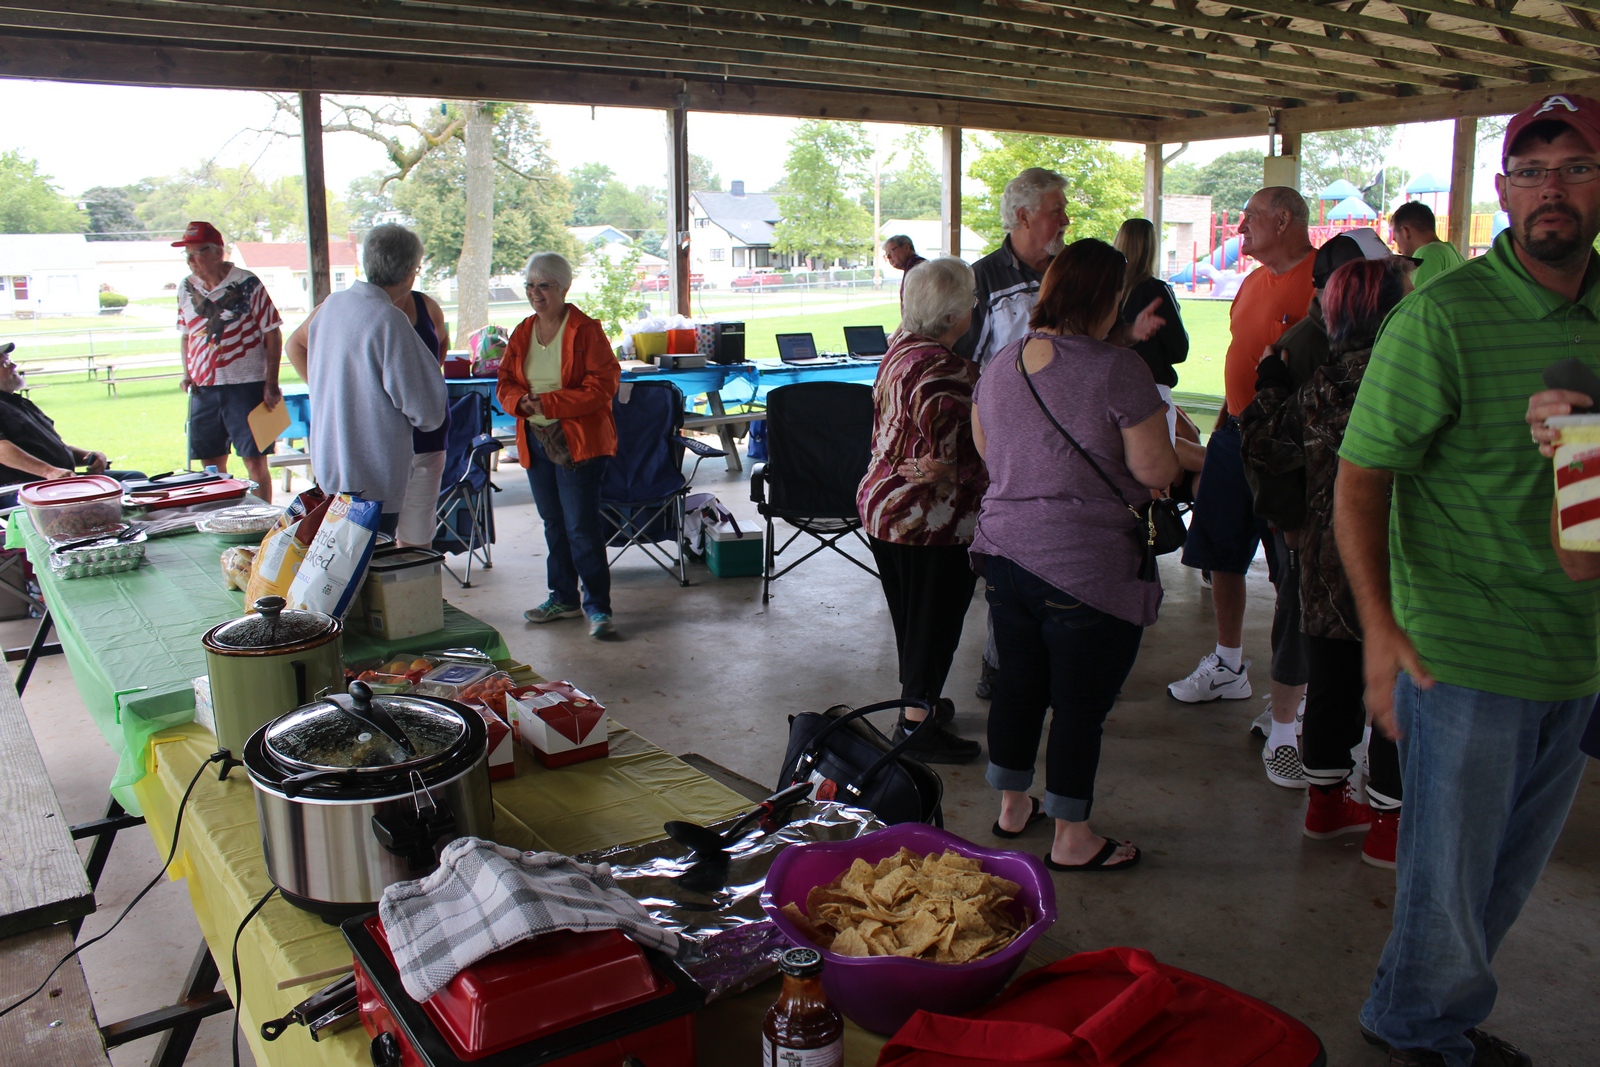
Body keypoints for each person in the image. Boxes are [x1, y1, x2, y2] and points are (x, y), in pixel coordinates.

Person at [1338, 94, 1600, 1067]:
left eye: (1575, 168)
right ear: (1501, 190)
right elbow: (1361, 476)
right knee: (1446, 883)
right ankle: (1418, 1028)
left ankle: (1424, 1013)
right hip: (1460, 653)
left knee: (1502, 878)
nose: (1551, 190)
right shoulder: (1441, 318)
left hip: (1575, 650)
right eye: (1531, 172)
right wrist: (1378, 626)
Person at [971, 238, 1178, 872]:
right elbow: (1155, 468)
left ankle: (1012, 806)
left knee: (1017, 687)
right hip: (1086, 563)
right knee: (1079, 706)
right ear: (1106, 298)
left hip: (1005, 553)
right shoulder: (1119, 370)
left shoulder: (1001, 363)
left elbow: (989, 450)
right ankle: (1071, 837)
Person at [1244, 256, 1413, 868]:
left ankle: (1325, 807)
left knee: (1333, 685)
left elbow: (1265, 446)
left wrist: (1269, 381)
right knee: (1396, 690)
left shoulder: (1322, 384)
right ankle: (1389, 827)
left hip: (1324, 557)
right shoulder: (1408, 380)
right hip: (1397, 559)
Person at [1167, 188, 1315, 761]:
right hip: (1235, 433)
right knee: (1222, 553)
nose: (1241, 228)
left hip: (1288, 445)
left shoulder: (1318, 281)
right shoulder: (1253, 282)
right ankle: (1229, 664)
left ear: (1283, 219)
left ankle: (1294, 690)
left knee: (1288, 570)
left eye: (1250, 217)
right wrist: (1229, 422)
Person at [1237, 231, 1388, 772]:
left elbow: (1269, 443)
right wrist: (1287, 519)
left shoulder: (1341, 368)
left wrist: (1270, 386)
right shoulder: (1313, 346)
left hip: (1338, 542)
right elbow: (1276, 456)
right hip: (1334, 537)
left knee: (1337, 670)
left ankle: (1342, 777)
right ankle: (1287, 732)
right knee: (1315, 649)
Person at [857, 257, 988, 765]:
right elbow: (951, 460)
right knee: (935, 624)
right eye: (971, 300)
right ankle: (915, 726)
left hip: (885, 507)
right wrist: (967, 471)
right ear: (954, 316)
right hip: (928, 521)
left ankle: (920, 703)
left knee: (914, 620)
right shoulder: (950, 372)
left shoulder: (900, 347)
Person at [498, 252, 621, 640]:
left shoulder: (586, 330)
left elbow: (603, 386)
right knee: (554, 523)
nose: (535, 293)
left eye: (544, 286)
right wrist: (521, 402)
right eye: (530, 285)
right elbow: (504, 381)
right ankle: (563, 599)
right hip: (535, 441)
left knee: (581, 527)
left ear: (564, 288)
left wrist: (550, 403)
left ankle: (598, 608)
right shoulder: (523, 331)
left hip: (578, 443)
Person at [304, 225, 447, 537]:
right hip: (371, 477)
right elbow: (428, 411)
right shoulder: (388, 319)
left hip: (331, 468)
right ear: (409, 272)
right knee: (374, 562)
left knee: (339, 560)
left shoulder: (332, 306)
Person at [173, 221, 283, 503]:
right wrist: (186, 372)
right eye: (187, 254)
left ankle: (262, 518)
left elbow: (272, 332)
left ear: (217, 252)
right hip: (203, 388)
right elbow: (186, 334)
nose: (191, 260)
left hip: (247, 386)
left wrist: (271, 383)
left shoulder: (247, 283)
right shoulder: (185, 287)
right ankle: (221, 515)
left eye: (197, 252)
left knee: (255, 460)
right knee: (210, 465)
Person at [0, 342, 119, 484]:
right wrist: (48, 471)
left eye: (10, 361)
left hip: (59, 479)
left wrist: (90, 456)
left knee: (132, 478)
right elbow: (1, 449)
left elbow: (52, 448)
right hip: (28, 487)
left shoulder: (20, 403)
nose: (13, 366)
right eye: (4, 363)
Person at [1112, 218, 1187, 441]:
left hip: (1111, 388)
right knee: (1159, 460)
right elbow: (1179, 350)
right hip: (1152, 389)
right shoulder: (1157, 291)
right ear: (1151, 248)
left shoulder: (1106, 290)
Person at [1389, 201, 1467, 287]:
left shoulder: (1426, 254)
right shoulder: (1453, 252)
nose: (1399, 251)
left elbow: (1416, 295)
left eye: (1396, 239)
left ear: (1405, 232)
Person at [883, 235, 926, 302]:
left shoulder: (916, 265)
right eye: (887, 254)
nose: (888, 257)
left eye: (891, 252)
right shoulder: (911, 266)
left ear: (906, 247)